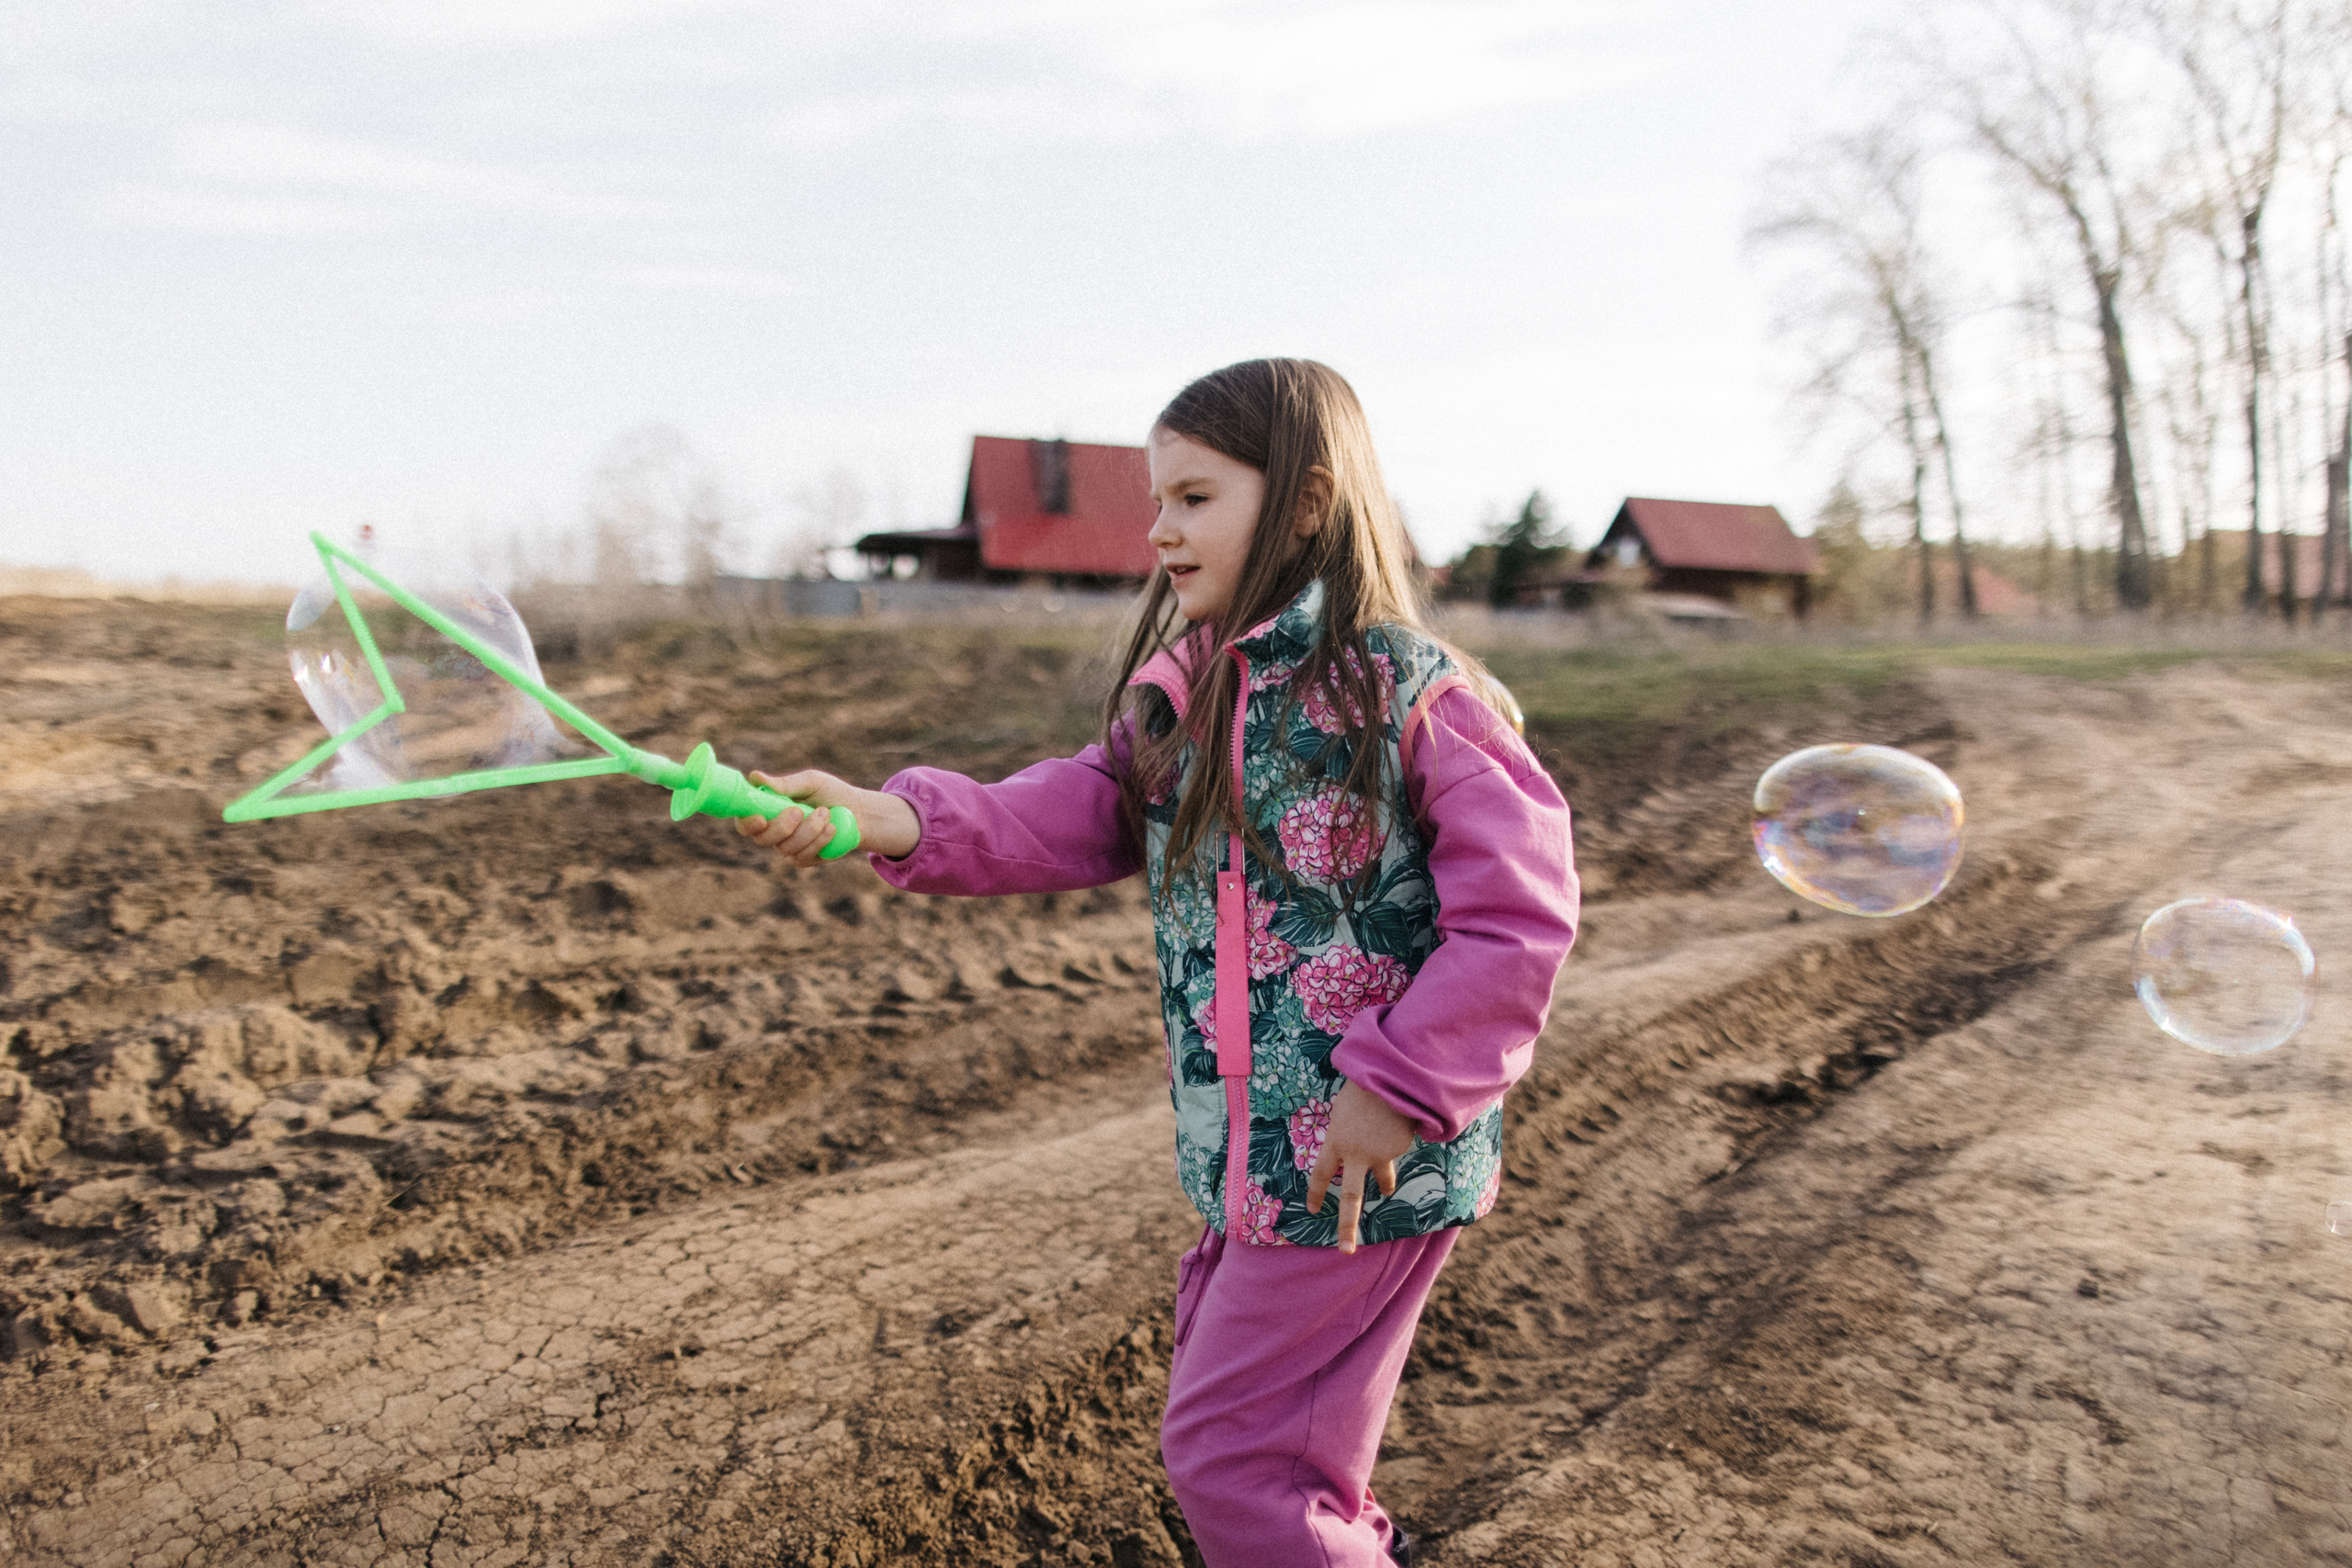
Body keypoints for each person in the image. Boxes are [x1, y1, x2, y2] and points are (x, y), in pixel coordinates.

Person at [736, 358, 1578, 1566]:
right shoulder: (1189, 692)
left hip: (1356, 1157)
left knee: (1235, 1459)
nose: (1158, 529)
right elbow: (1078, 810)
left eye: (1193, 497)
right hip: (1258, 1156)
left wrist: (1401, 1088)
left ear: (1303, 501)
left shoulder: (1403, 691)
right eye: (1156, 499)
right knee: (1280, 1463)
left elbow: (1523, 909)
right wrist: (892, 817)